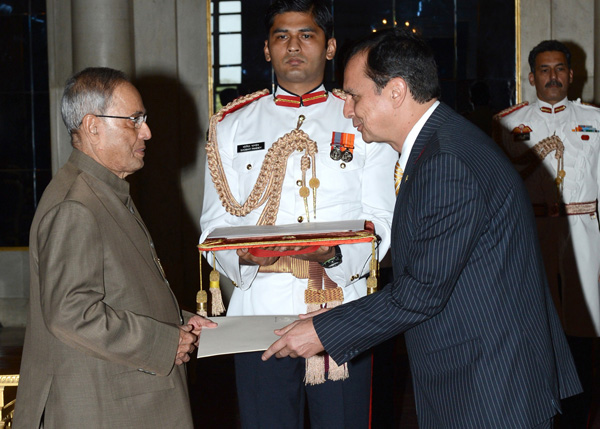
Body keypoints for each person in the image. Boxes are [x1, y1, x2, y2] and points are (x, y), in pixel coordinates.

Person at [262, 28, 583, 428]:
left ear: (395, 92)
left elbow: (421, 292)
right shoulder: (440, 144)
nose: (347, 110)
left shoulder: (446, 161)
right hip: (484, 370)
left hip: (489, 386)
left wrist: (325, 331)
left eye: (354, 96)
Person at [199, 0, 396, 427]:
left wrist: (334, 260)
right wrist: (247, 260)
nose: (293, 46)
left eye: (307, 35)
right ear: (266, 49)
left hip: (340, 310)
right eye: (281, 36)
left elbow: (381, 218)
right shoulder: (231, 125)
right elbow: (214, 225)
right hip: (258, 314)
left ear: (330, 48)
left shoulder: (364, 119)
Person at [13, 67, 217, 428]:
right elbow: (72, 313)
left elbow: (121, 292)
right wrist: (162, 342)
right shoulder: (76, 205)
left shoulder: (102, 189)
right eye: (134, 120)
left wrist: (180, 323)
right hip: (103, 409)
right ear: (93, 126)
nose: (147, 132)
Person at [494, 40, 600, 427]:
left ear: (572, 75)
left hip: (584, 238)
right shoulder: (508, 121)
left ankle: (578, 417)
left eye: (559, 69)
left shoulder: (595, 119)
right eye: (544, 69)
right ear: (531, 76)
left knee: (582, 335)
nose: (552, 77)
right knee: (536, 329)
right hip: (532, 236)